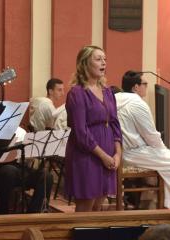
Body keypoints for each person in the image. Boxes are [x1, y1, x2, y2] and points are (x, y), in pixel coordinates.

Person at [65, 45, 122, 212]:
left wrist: (117, 153)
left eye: (105, 59)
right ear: (84, 64)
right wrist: (103, 156)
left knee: (98, 208)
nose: (103, 62)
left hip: (108, 153)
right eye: (98, 59)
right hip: (87, 154)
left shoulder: (108, 92)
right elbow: (80, 132)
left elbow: (115, 124)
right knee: (85, 209)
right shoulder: (77, 93)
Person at [115, 70, 170, 208]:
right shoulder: (137, 103)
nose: (147, 86)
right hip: (134, 154)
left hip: (120, 153)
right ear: (135, 87)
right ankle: (165, 207)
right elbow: (151, 135)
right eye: (145, 83)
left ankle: (154, 203)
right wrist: (163, 150)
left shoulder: (115, 99)